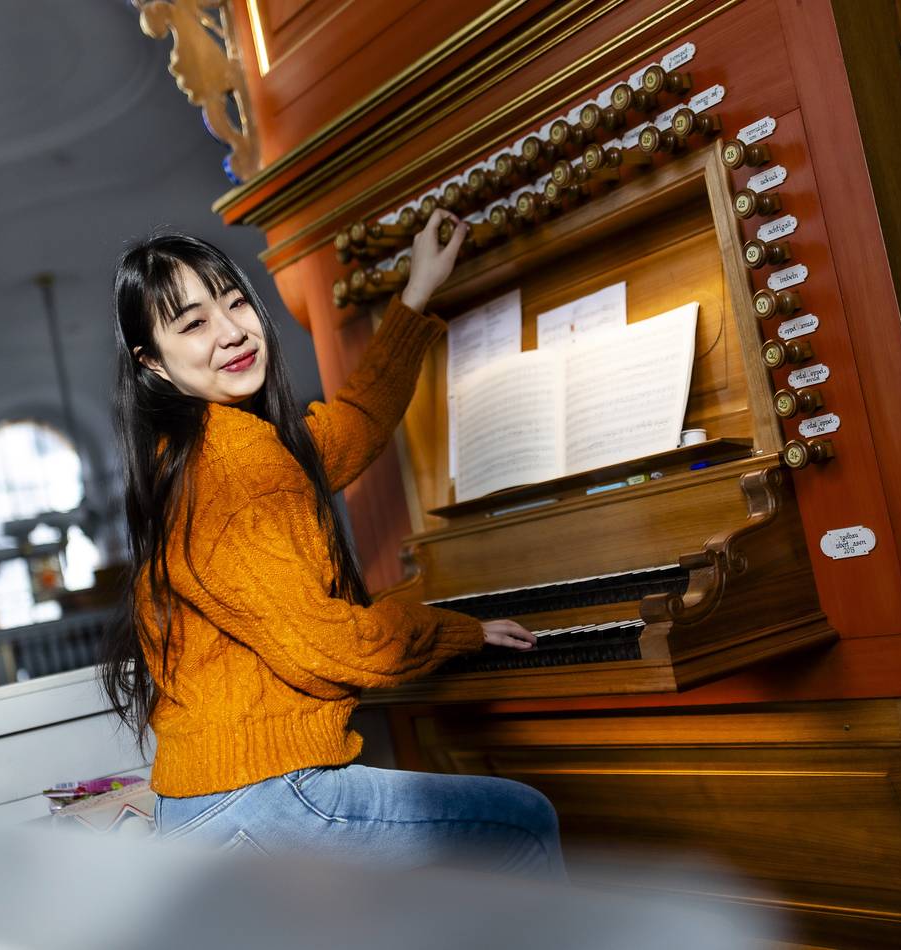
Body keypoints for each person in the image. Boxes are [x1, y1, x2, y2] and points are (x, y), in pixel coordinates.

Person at [102, 210, 566, 879]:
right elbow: (329, 650)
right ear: (153, 362)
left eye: (235, 304)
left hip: (210, 804)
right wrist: (450, 629)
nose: (232, 333)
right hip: (259, 800)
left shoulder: (205, 450)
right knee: (522, 822)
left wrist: (416, 294)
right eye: (194, 323)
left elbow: (349, 429)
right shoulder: (239, 469)